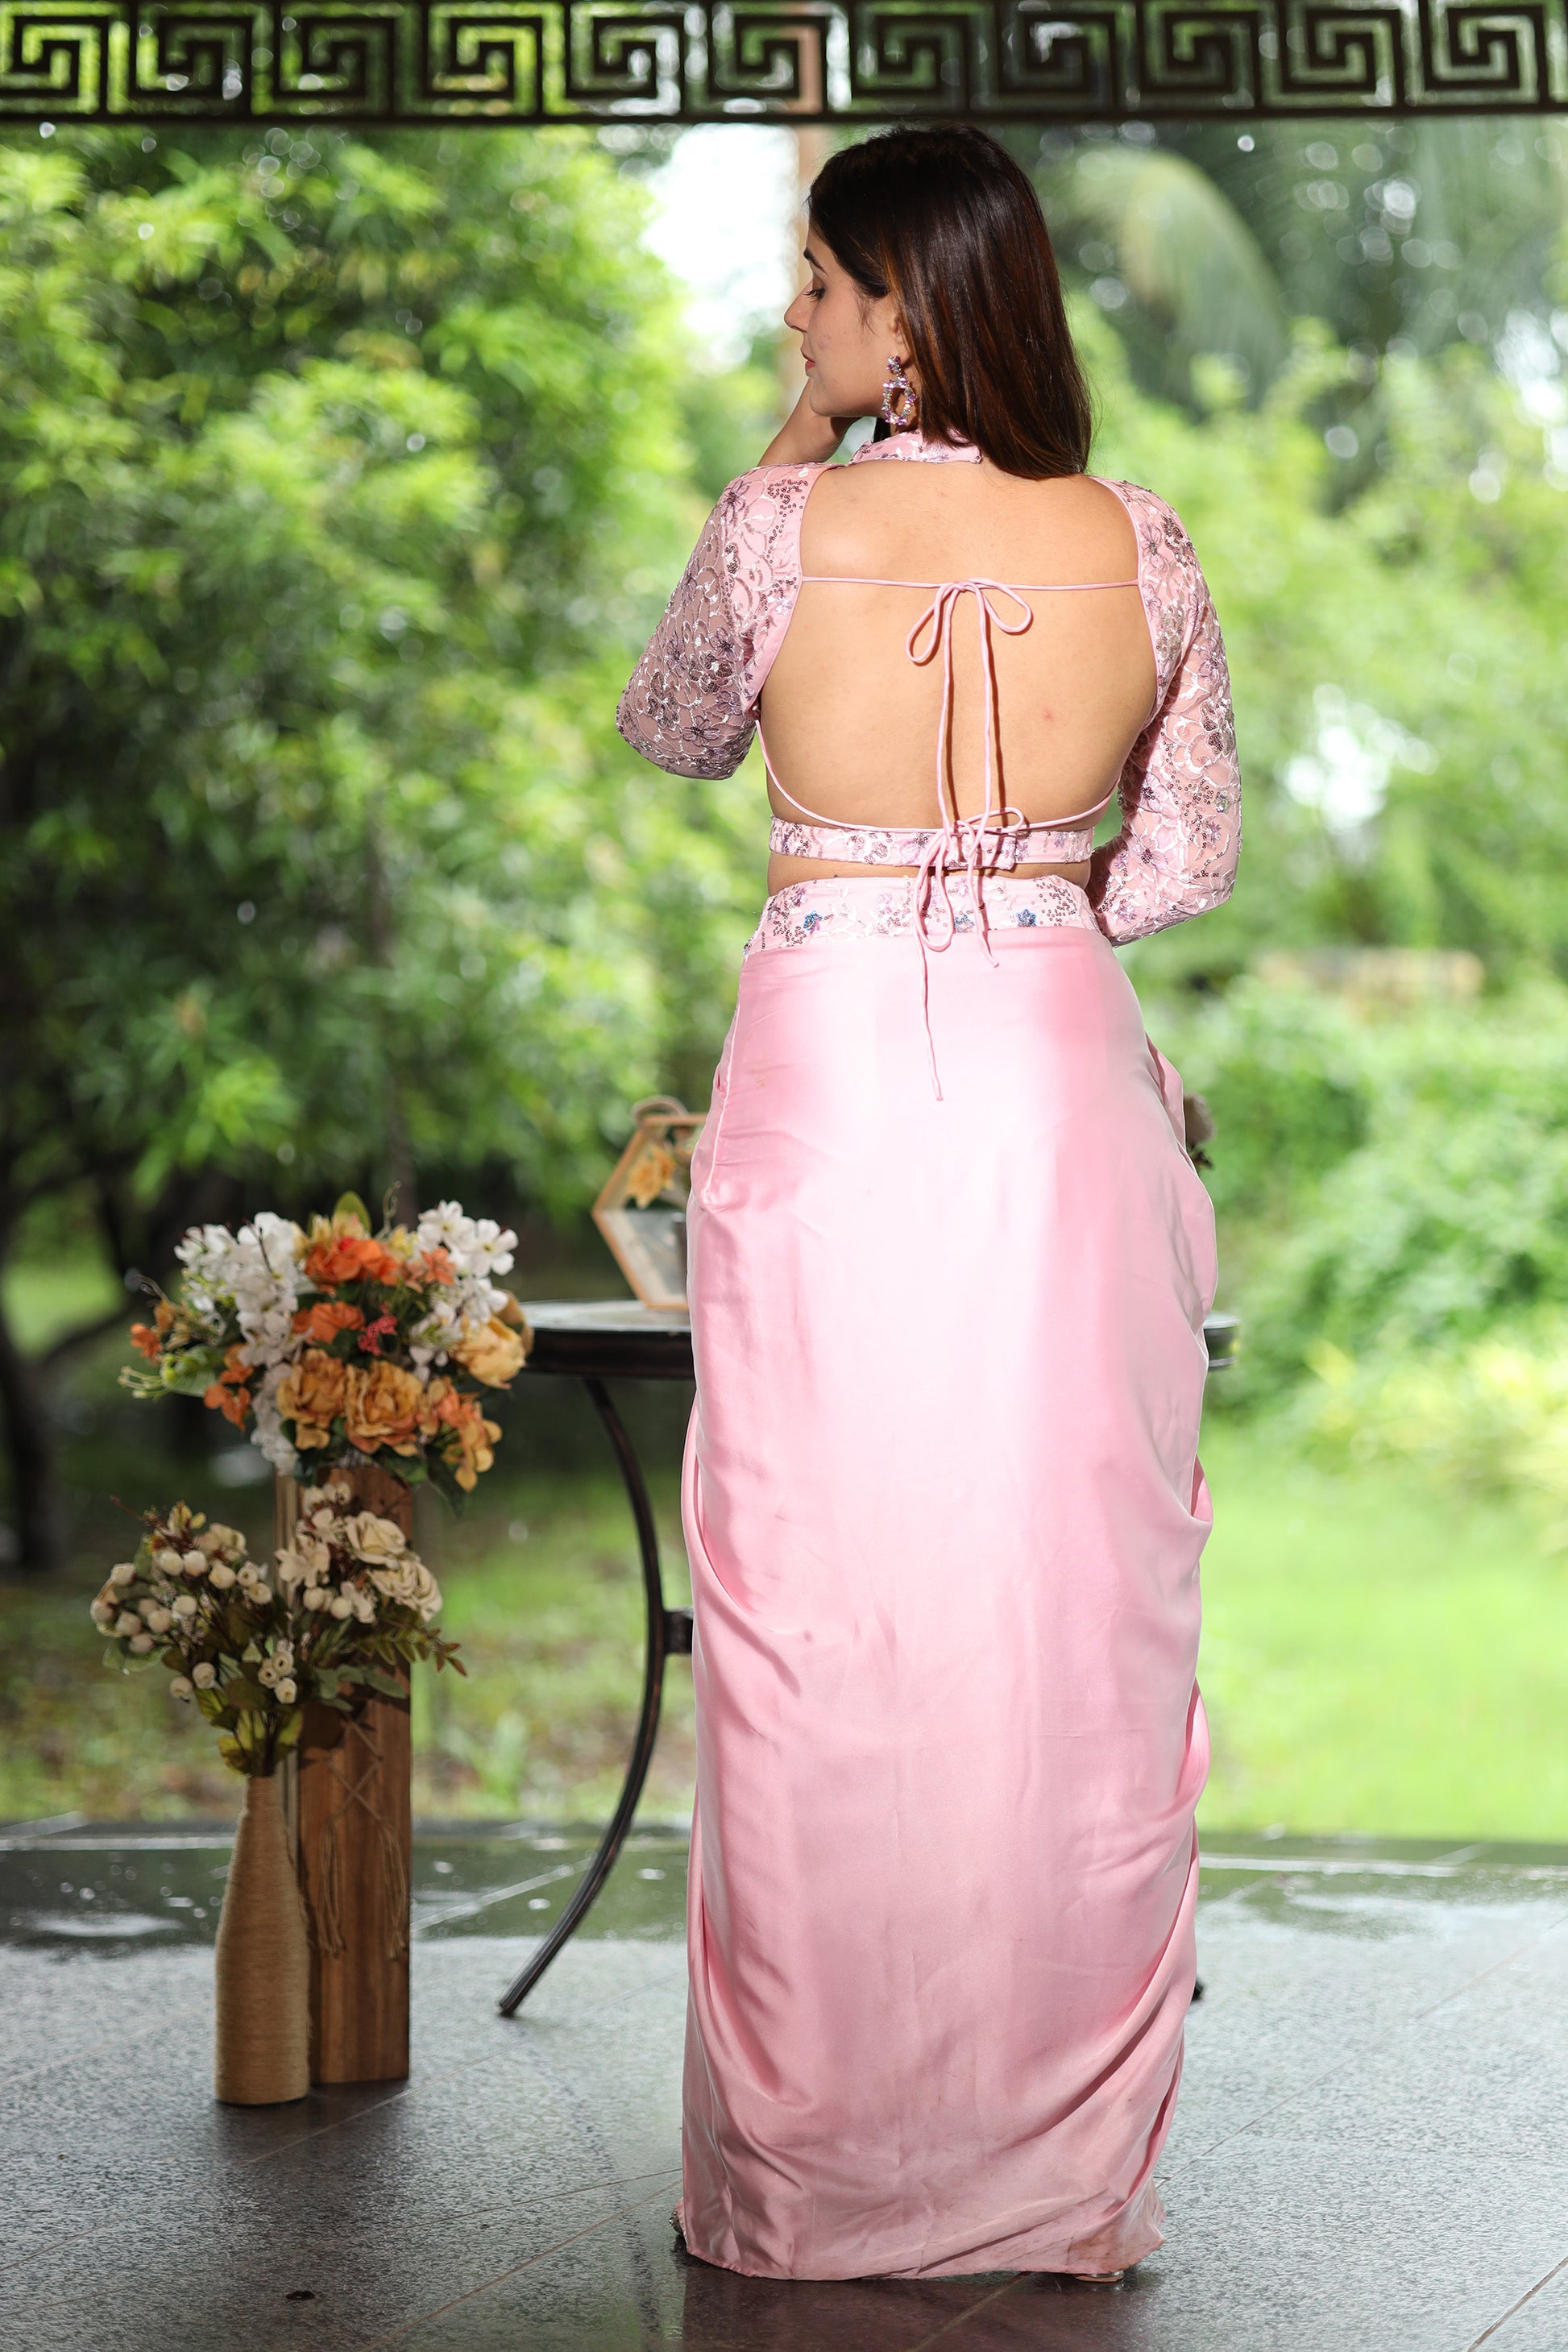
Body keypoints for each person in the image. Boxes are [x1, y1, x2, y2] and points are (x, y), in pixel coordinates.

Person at [616, 123, 1239, 2285]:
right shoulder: (1141, 542)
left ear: (903, 310)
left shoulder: (776, 527)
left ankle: (812, 2183)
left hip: (834, 1075)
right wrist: (1026, 889)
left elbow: (674, 727)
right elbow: (1181, 864)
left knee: (815, 1607)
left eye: (818, 282)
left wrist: (791, 454)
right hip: (1059, 1085)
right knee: (1063, 1613)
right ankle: (1053, 2184)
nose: (793, 313)